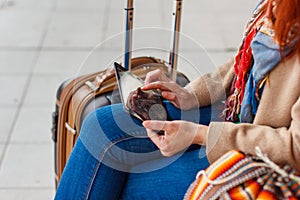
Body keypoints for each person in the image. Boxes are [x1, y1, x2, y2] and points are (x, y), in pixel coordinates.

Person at [55, 0, 300, 199]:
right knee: (103, 124)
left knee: (125, 184)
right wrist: (190, 94)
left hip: (272, 161)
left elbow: (295, 149)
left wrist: (200, 134)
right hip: (244, 118)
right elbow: (246, 63)